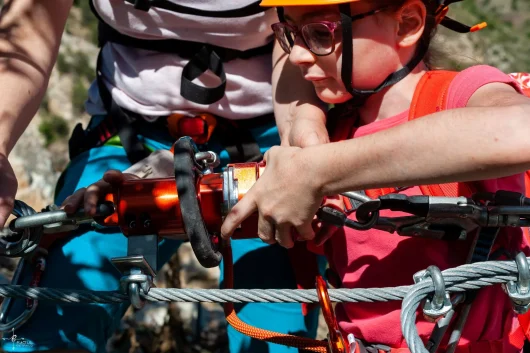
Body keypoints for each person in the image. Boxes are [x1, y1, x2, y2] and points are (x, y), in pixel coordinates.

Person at [0, 1, 328, 352]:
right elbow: (29, 32)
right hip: (130, 140)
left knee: (279, 333)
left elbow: (297, 40)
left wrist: (300, 154)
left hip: (269, 145)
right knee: (46, 327)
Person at [221, 0, 530, 351]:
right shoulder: (332, 132)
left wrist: (319, 170)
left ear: (407, 24)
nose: (297, 57)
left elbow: (521, 130)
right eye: (291, 36)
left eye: (321, 34)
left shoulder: (458, 94)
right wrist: (307, 126)